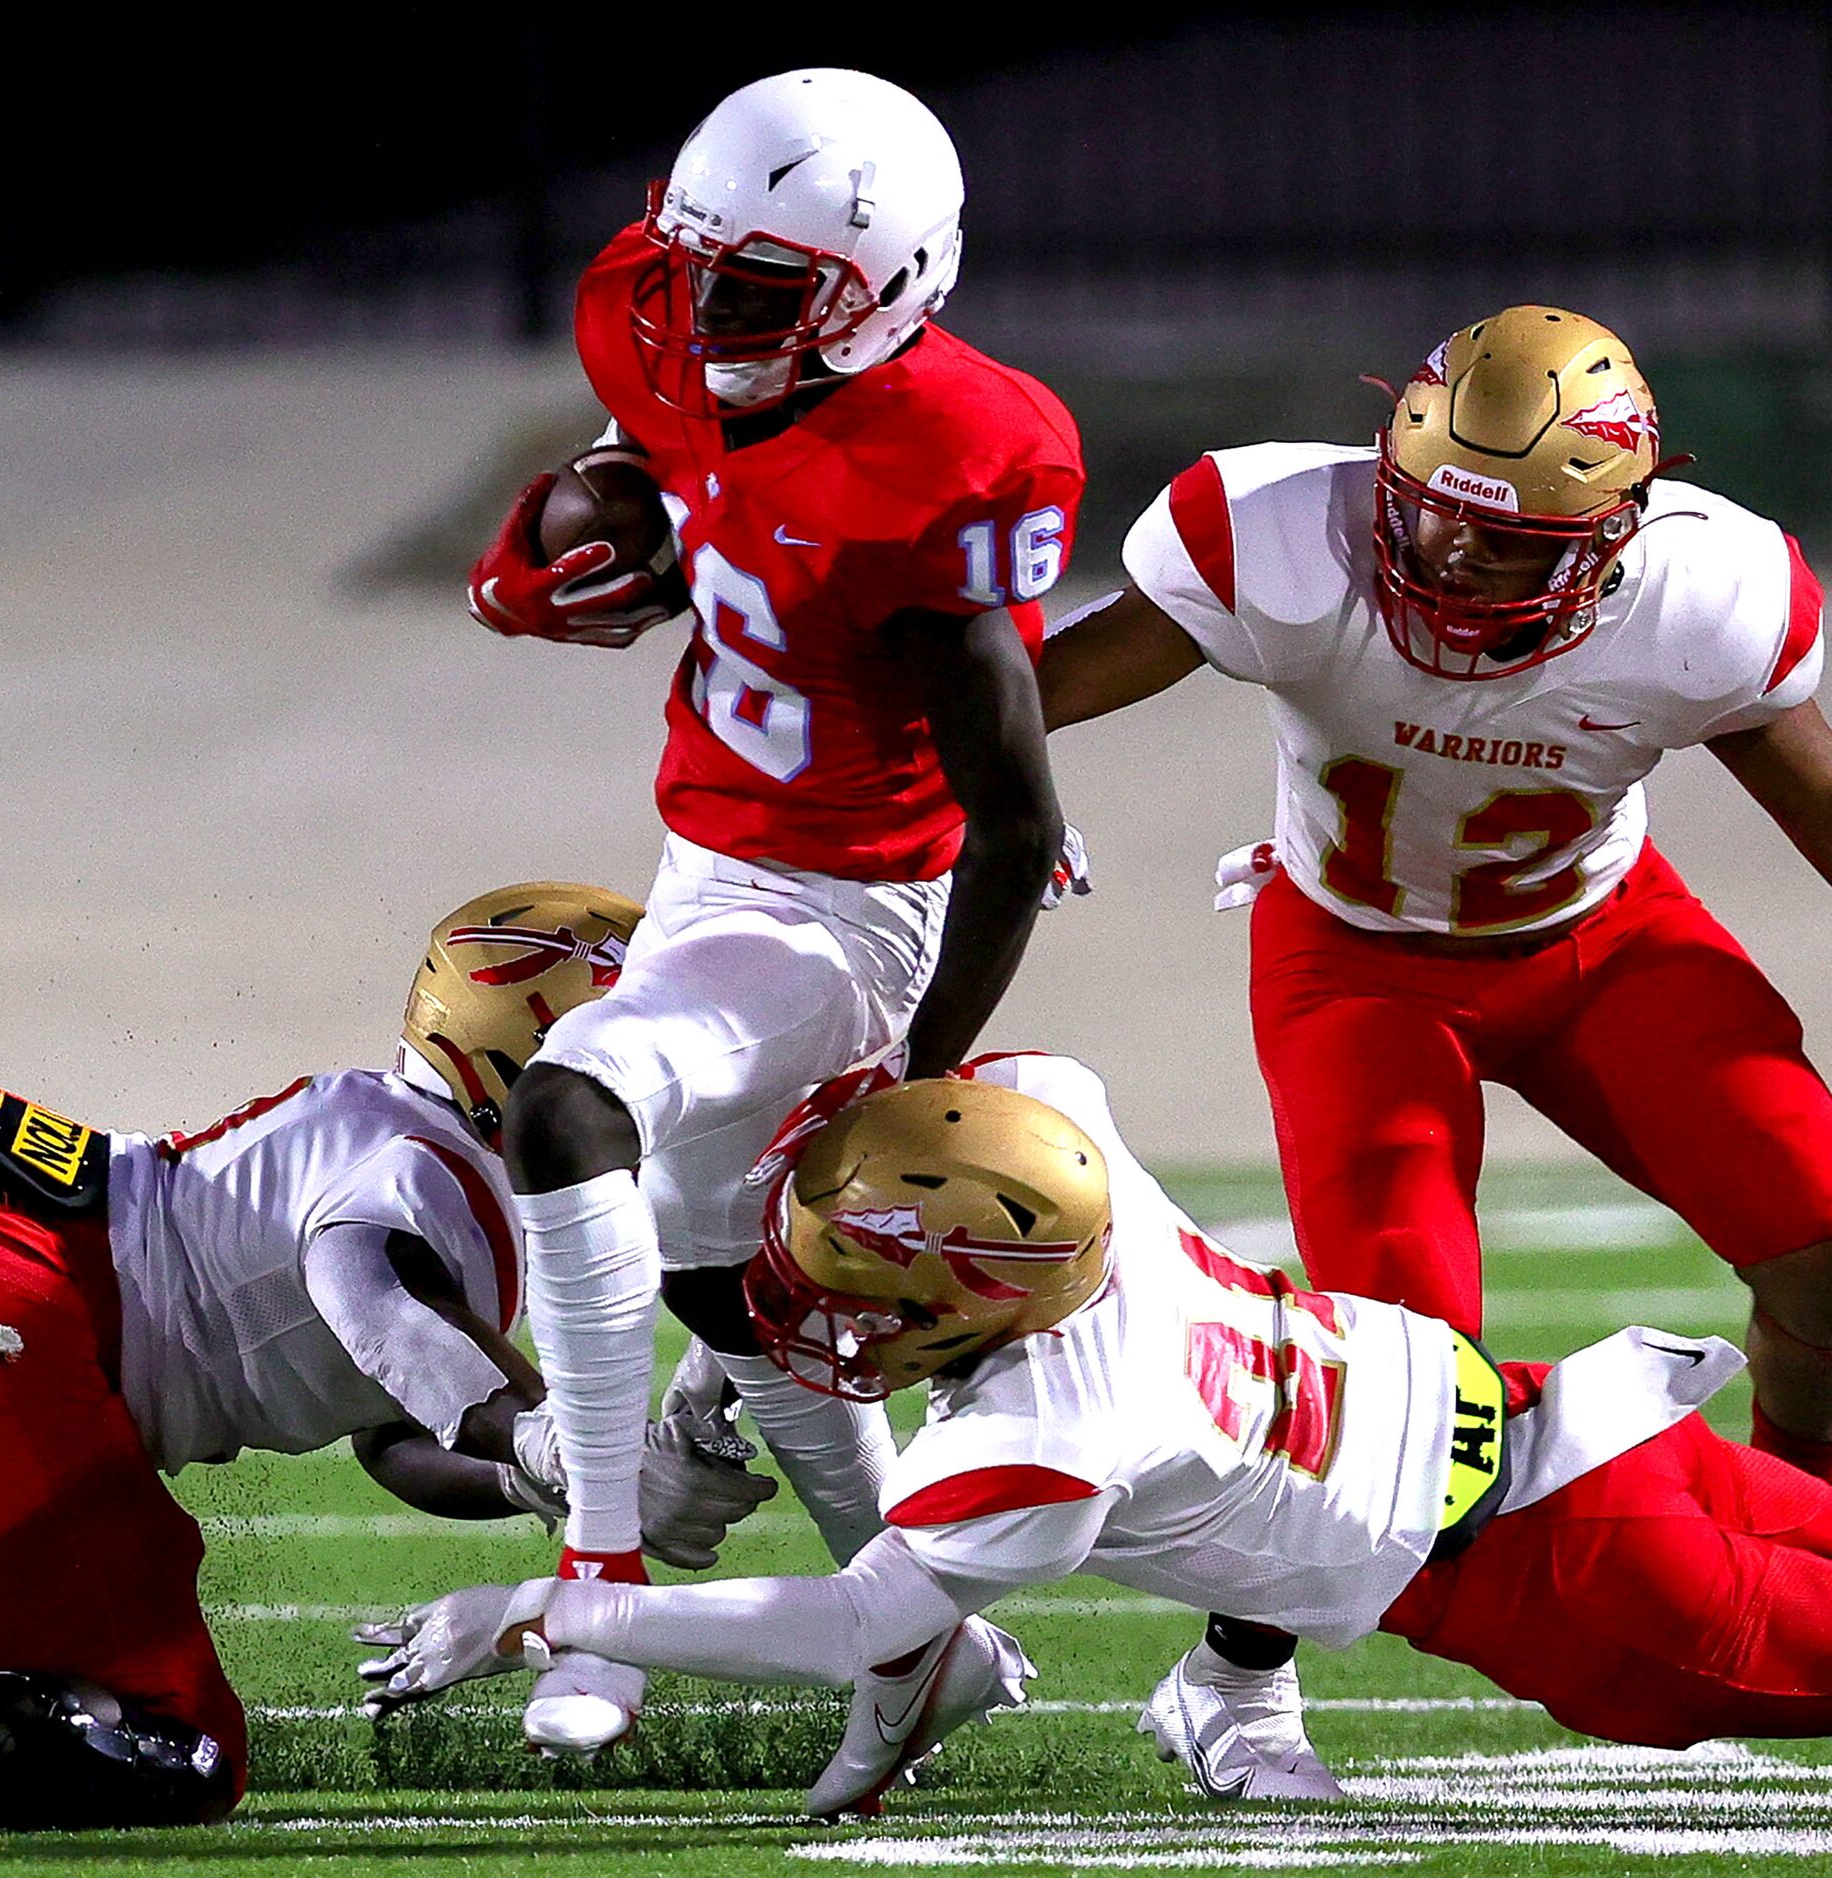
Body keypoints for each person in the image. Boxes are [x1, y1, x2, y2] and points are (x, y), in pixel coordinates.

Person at [357, 1051, 1832, 1814]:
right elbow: (977, 1078)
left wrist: (551, 1609)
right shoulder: (1050, 1132)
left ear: (975, 1295)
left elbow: (848, 1623)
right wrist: (717, 1370)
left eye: (861, 1286)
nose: (814, 1309)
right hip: (1584, 1423)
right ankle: (1226, 1700)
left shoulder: (1048, 1424)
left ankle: (1227, 1700)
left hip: (1576, 1578)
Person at [460, 66, 1084, 1787]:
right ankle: (924, 1637)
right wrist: (593, 519)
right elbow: (665, 460)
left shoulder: (959, 448)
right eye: (700, 271)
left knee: (571, 1101)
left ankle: (598, 1581)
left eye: (757, 292)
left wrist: (921, 1064)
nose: (706, 313)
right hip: (705, 855)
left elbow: (1012, 808)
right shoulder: (651, 310)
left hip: (847, 903)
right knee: (724, 1293)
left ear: (888, 287)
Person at [0, 881, 770, 1826]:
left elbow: (397, 1427)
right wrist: (577, 1450)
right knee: (178, 1751)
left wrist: (532, 1473)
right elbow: (369, 1293)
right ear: (531, 1053)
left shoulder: (381, 1130)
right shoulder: (427, 1171)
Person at [1035, 304, 1832, 1477]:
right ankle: (1247, 1657)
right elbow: (1012, 697)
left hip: (1602, 944)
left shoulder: (1705, 599)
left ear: (1615, 534)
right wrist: (994, 796)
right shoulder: (1279, 537)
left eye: (1509, 541)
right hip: (1353, 965)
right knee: (1407, 1375)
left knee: (1820, 1258)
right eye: (1432, 513)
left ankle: (1805, 1544)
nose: (1455, 556)